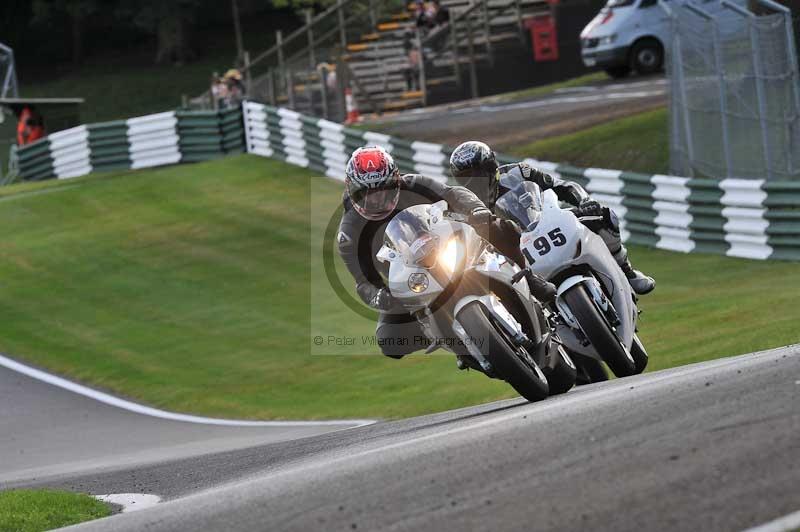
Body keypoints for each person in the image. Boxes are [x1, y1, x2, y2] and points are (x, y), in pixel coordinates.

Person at [337, 145, 554, 360]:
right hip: (411, 278)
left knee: (498, 227)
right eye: (367, 194)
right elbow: (363, 281)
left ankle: (530, 279)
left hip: (444, 246)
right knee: (389, 341)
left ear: (396, 179)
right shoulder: (349, 234)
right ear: (351, 189)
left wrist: (475, 211)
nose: (377, 200)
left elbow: (453, 193)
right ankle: (446, 338)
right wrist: (379, 296)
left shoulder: (414, 184)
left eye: (383, 190)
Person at [448, 141, 656, 295]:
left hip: (547, 224)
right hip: (516, 255)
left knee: (604, 215)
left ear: (491, 167)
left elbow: (563, 187)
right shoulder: (465, 206)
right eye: (466, 177)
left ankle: (626, 272)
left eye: (477, 174)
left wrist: (584, 201)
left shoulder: (520, 172)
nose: (473, 182)